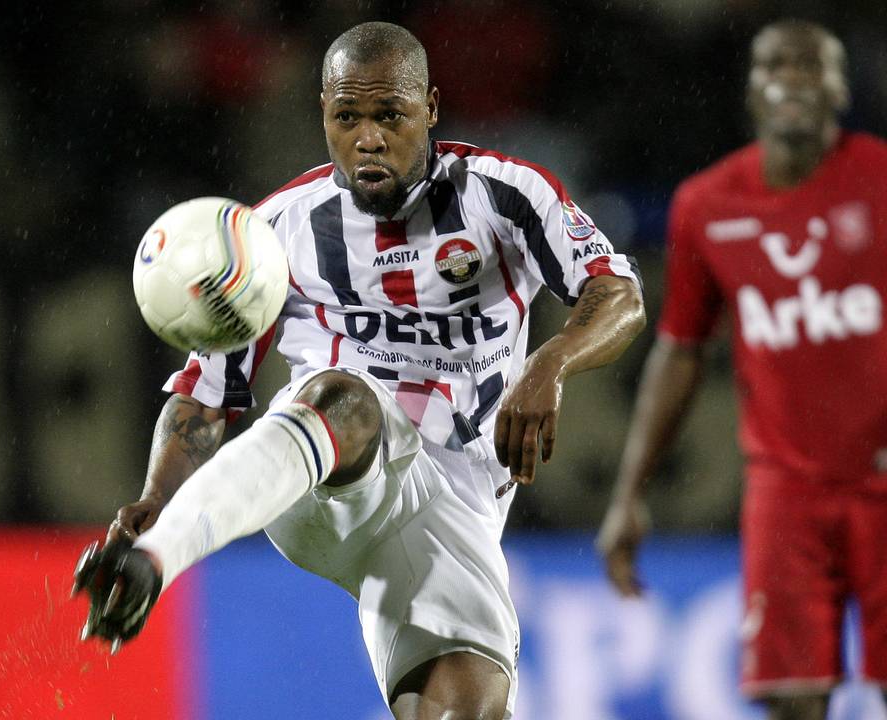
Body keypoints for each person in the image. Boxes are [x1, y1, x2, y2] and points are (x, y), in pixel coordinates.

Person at [75, 21, 644, 720]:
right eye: (347, 117)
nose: (368, 139)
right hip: (325, 475)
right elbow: (205, 400)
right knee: (349, 397)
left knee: (466, 707)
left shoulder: (503, 196)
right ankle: (160, 561)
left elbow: (618, 294)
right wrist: (156, 505)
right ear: (322, 112)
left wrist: (548, 364)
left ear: (430, 108)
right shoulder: (274, 232)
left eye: (389, 116)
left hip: (455, 506)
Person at [596, 20, 887, 720]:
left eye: (812, 65)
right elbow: (680, 347)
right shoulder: (707, 205)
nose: (792, 76)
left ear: (841, 88)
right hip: (786, 491)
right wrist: (629, 492)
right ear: (751, 90)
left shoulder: (880, 179)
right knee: (790, 701)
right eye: (774, 63)